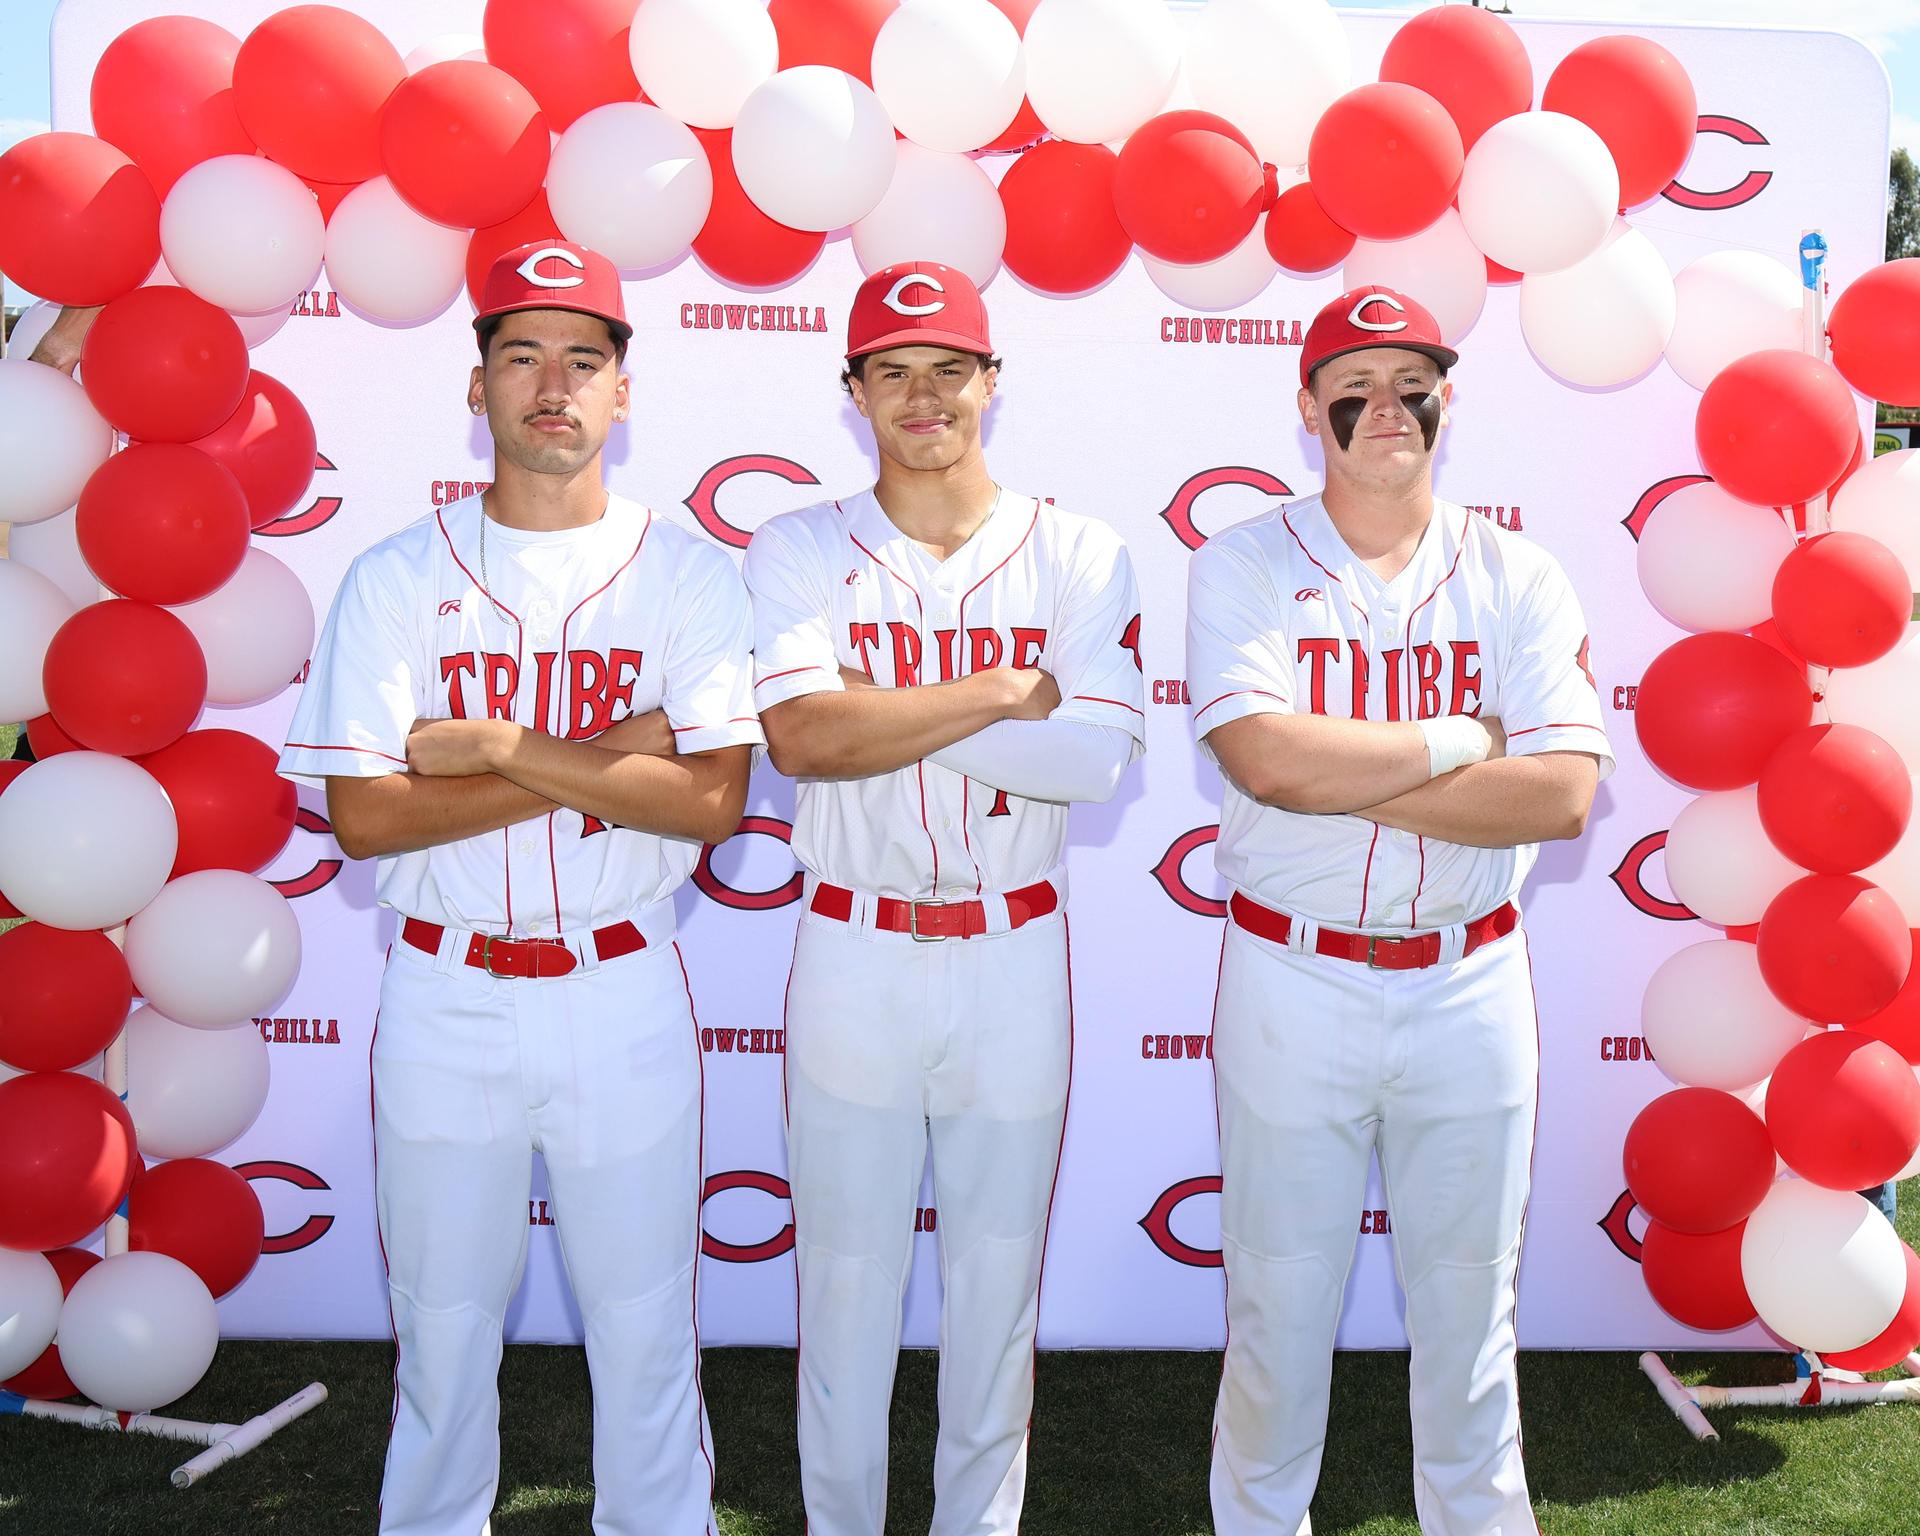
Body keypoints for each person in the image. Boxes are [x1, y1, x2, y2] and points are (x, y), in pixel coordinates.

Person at [278, 241, 761, 1536]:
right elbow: (367, 815)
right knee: (439, 1335)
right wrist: (615, 758)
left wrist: (498, 747)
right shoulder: (393, 576)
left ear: (622, 390)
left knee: (651, 1323)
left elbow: (714, 805)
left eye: (582, 358)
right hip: (449, 988)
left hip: (622, 984)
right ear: (479, 384)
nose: (553, 383)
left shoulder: (691, 574)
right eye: (522, 355)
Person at [1187, 286, 1612, 1536]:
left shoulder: (1519, 573)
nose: (1387, 402)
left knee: (1471, 1310)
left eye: (1410, 377)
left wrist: (1347, 776)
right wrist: (1451, 743)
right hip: (1293, 978)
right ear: (1309, 405)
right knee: (1277, 1306)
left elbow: (1562, 796)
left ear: (1446, 396)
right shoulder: (1246, 560)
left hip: (1468, 980)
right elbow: (1266, 765)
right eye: (1355, 383)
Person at [743, 260, 1146, 1536]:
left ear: (991, 382)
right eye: (894, 370)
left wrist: (885, 715)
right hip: (853, 946)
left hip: (1012, 949)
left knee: (995, 1285)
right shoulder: (797, 544)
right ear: (853, 389)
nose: (924, 396)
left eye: (949, 368)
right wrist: (996, 691)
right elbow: (804, 740)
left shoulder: (1082, 549)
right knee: (846, 1286)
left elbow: (1090, 757)